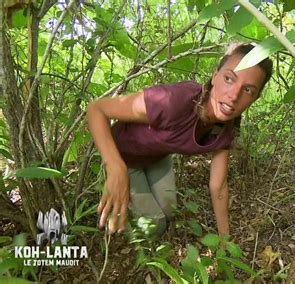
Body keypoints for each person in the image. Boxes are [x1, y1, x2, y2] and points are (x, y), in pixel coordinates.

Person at [87, 43, 273, 236]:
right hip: (121, 158)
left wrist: (225, 241)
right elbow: (96, 109)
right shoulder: (174, 100)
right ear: (215, 75)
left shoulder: (228, 127)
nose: (234, 96)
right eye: (228, 79)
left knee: (169, 211)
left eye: (248, 90)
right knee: (155, 227)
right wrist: (115, 167)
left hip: (157, 156)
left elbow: (218, 186)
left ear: (256, 98)